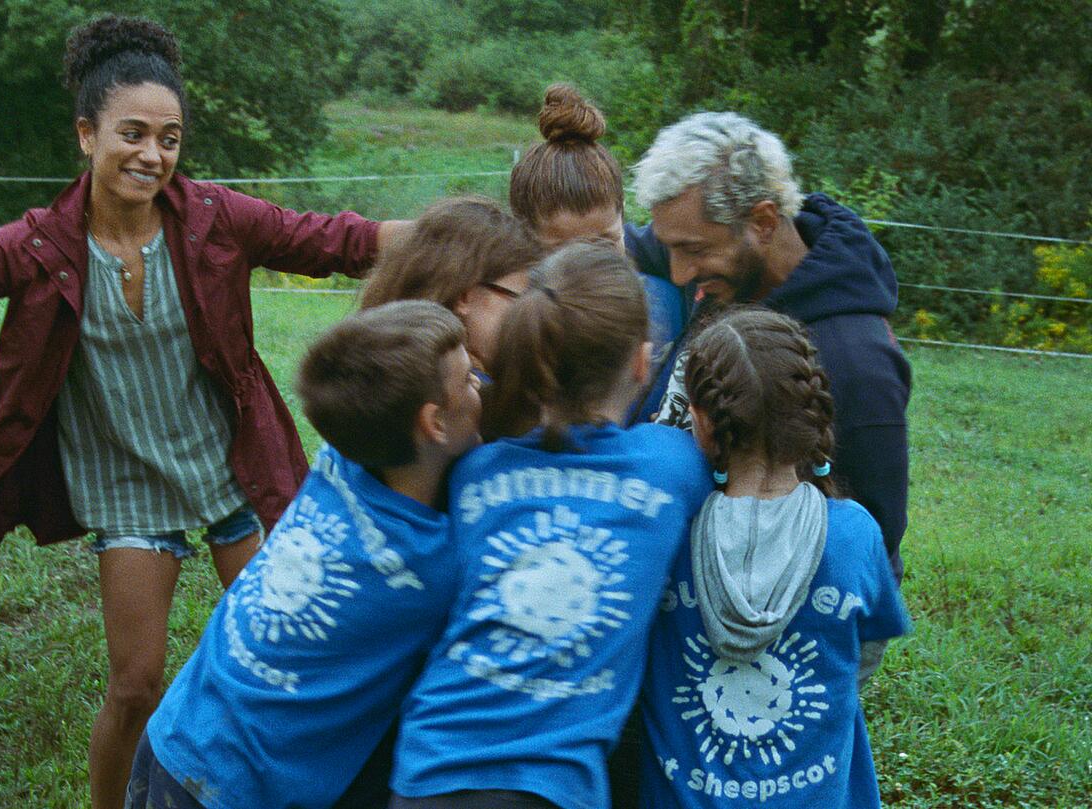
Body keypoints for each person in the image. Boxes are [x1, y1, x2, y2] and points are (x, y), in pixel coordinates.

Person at [0, 15, 403, 808]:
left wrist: (468, 236)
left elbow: (335, 238)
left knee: (291, 648)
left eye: (168, 138)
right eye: (132, 133)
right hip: (125, 479)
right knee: (136, 685)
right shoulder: (39, 246)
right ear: (87, 136)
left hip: (227, 466)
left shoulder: (214, 219)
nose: (152, 155)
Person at [389, 242, 714, 809]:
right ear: (642, 362)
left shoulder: (475, 473)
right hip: (550, 786)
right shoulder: (673, 466)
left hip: (428, 764)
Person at [125, 300, 482, 809]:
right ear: (435, 423)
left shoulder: (339, 460)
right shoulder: (427, 569)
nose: (481, 385)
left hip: (175, 733)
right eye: (469, 378)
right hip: (233, 792)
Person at [639, 307, 911, 808]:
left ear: (700, 419)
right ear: (812, 411)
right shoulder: (854, 534)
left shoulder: (669, 531)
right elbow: (863, 656)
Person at [630, 112, 911, 586]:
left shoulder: (855, 360)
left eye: (694, 250)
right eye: (670, 248)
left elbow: (870, 542)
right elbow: (612, 238)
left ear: (762, 221)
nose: (678, 274)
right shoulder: (735, 273)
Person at [509, 84, 685, 422]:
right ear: (523, 241)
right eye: (564, 249)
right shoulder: (512, 326)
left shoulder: (670, 303)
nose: (591, 265)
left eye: (605, 243)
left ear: (623, 219)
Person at [360, 195, 542, 382]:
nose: (531, 319)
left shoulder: (378, 370)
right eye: (520, 300)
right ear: (464, 297)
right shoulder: (461, 397)